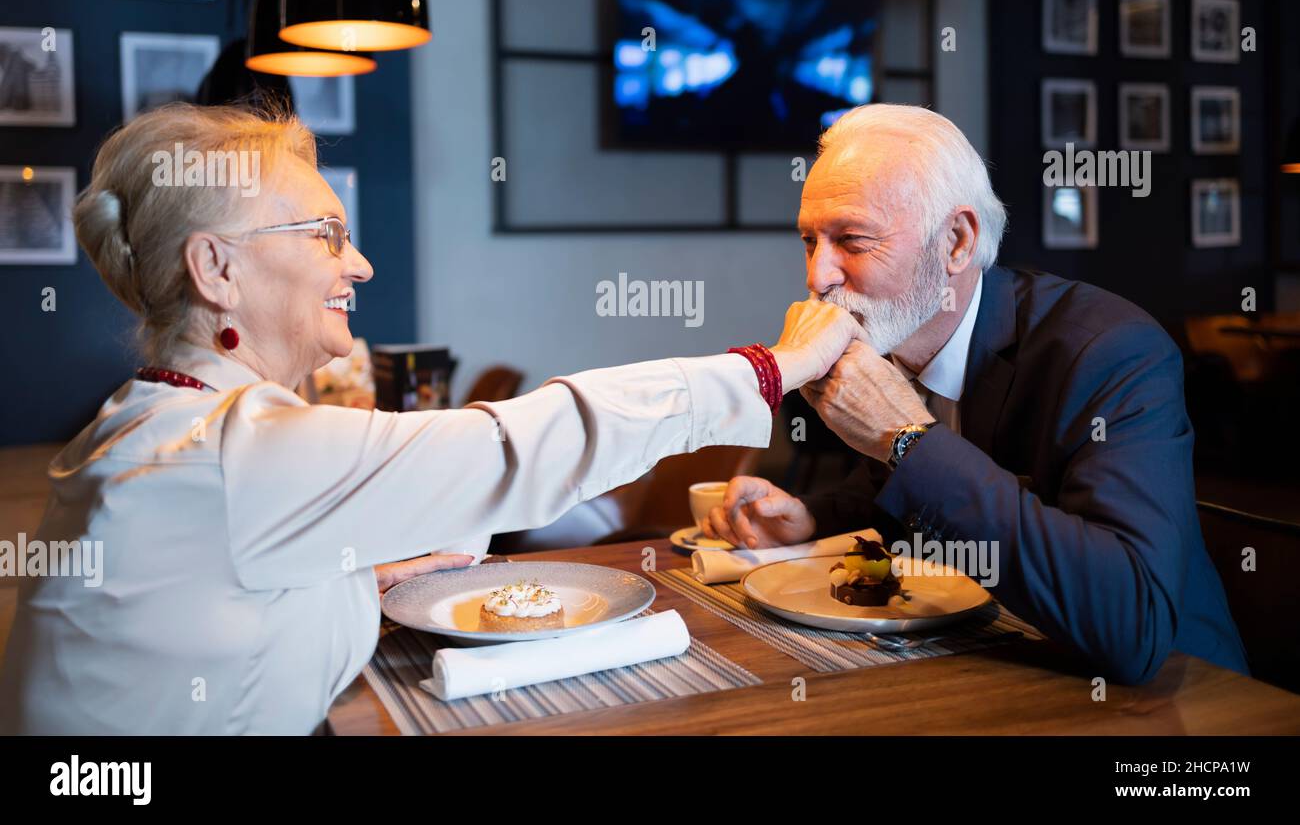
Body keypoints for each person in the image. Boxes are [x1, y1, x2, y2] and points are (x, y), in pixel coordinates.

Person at [0, 103, 862, 734]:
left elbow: (206, 604)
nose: (362, 265)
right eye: (325, 235)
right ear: (216, 269)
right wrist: (779, 367)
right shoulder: (232, 450)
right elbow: (527, 441)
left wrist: (347, 581)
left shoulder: (154, 419)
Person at [702, 103, 1248, 686]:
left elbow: (1132, 620)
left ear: (956, 243)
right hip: (1004, 666)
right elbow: (907, 489)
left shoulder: (1112, 351)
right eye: (811, 241)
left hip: (1182, 696)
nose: (818, 276)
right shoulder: (900, 337)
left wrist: (906, 437)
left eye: (853, 241)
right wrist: (811, 518)